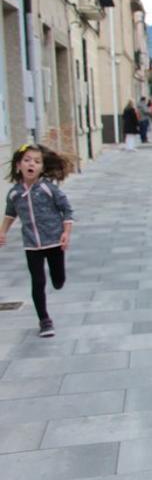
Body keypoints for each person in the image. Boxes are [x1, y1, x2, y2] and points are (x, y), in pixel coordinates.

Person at [0, 144, 74, 338]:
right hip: (31, 244)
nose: (31, 164)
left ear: (42, 167)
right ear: (19, 166)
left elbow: (67, 210)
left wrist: (66, 232)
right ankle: (44, 320)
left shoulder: (49, 189)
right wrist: (3, 232)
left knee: (58, 281)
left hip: (54, 241)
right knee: (37, 281)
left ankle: (58, 279)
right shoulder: (15, 193)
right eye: (27, 160)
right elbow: (10, 214)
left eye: (36, 161)